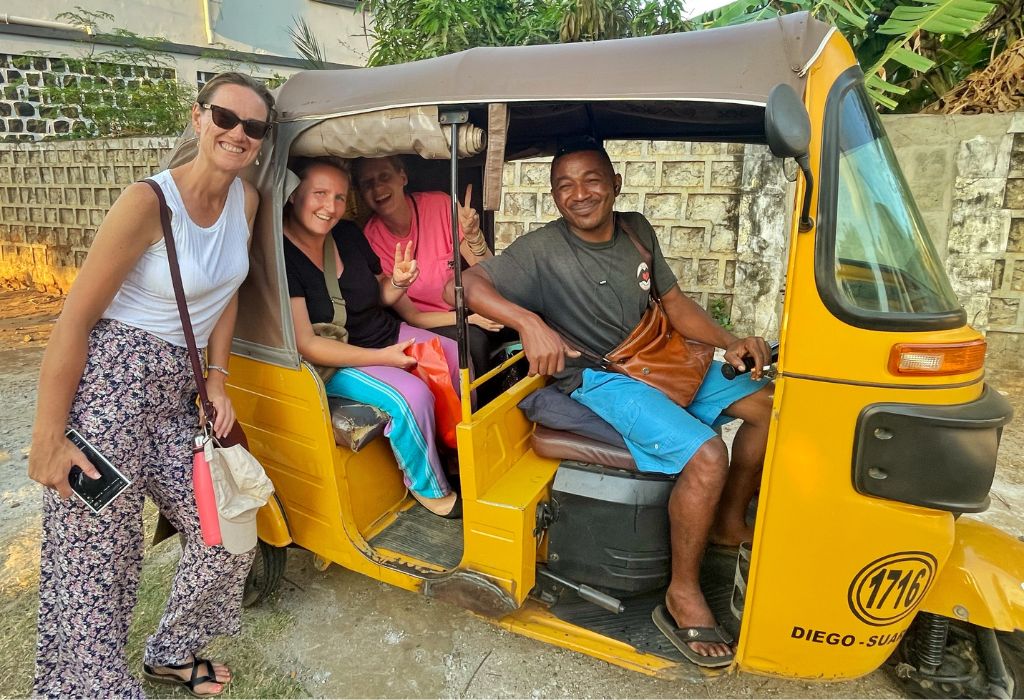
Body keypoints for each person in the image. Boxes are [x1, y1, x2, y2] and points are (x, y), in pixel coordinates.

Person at [458, 140, 774, 668]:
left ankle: (725, 522)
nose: (579, 194)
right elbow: (469, 283)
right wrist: (529, 323)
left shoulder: (636, 229)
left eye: (590, 180)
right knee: (706, 454)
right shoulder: (541, 250)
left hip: (659, 355)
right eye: (564, 186)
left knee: (767, 406)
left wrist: (728, 340)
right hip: (601, 376)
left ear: (614, 184)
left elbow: (672, 304)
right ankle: (682, 592)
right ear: (555, 198)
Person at [28, 72, 275, 697]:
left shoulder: (246, 202)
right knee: (96, 561)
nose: (238, 134)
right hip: (111, 389)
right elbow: (76, 321)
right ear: (198, 119)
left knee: (228, 522)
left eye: (254, 127)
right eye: (225, 117)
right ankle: (91, 687)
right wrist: (48, 438)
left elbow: (225, 291)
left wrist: (218, 378)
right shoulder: (148, 203)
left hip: (175, 396)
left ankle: (170, 649)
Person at [283, 157, 461, 519]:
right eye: (319, 194)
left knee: (455, 356)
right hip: (335, 357)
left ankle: (453, 451)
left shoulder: (347, 234)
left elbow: (379, 295)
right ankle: (429, 487)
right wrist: (385, 358)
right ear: (293, 194)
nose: (329, 207)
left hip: (383, 331)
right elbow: (307, 343)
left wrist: (397, 282)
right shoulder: (281, 254)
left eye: (338, 197)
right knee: (411, 396)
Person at [354, 156, 511, 377]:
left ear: (403, 177)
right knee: (473, 341)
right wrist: (469, 319)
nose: (378, 187)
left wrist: (474, 237)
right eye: (367, 183)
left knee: (524, 316)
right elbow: (414, 317)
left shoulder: (439, 205)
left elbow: (487, 270)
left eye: (384, 177)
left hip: (469, 302)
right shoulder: (371, 239)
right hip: (432, 321)